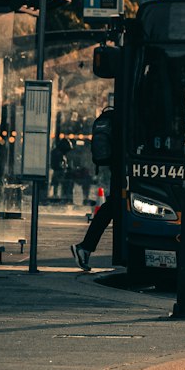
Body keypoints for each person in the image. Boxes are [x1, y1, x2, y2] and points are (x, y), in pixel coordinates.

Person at [71, 106, 119, 272]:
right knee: (112, 206)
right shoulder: (125, 117)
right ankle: (84, 247)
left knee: (112, 206)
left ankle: (85, 247)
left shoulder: (116, 117)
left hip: (117, 167)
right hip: (122, 168)